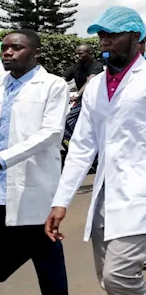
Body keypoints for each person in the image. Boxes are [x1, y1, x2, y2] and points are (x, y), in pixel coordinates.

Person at [48, 7, 146, 295]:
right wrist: (61, 202)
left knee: (119, 277)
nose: (105, 41)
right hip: (106, 197)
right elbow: (82, 147)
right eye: (102, 35)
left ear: (135, 37)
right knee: (108, 281)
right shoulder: (97, 85)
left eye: (113, 35)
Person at [1, 30, 70, 295]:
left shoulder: (53, 85)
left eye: (16, 48)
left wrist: (4, 159)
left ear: (36, 53)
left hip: (34, 184)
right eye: (4, 47)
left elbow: (51, 132)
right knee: (46, 252)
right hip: (2, 190)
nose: (8, 53)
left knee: (46, 254)